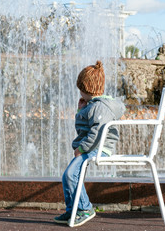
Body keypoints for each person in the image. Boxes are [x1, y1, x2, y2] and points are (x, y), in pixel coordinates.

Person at [54, 60, 126, 227]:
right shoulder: (93, 106)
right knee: (68, 176)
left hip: (97, 148)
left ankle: (85, 209)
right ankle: (72, 210)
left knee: (71, 174)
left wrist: (81, 148)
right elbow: (85, 128)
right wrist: (81, 110)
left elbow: (97, 133)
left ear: (87, 88)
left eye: (81, 90)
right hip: (92, 147)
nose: (80, 93)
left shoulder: (101, 107)